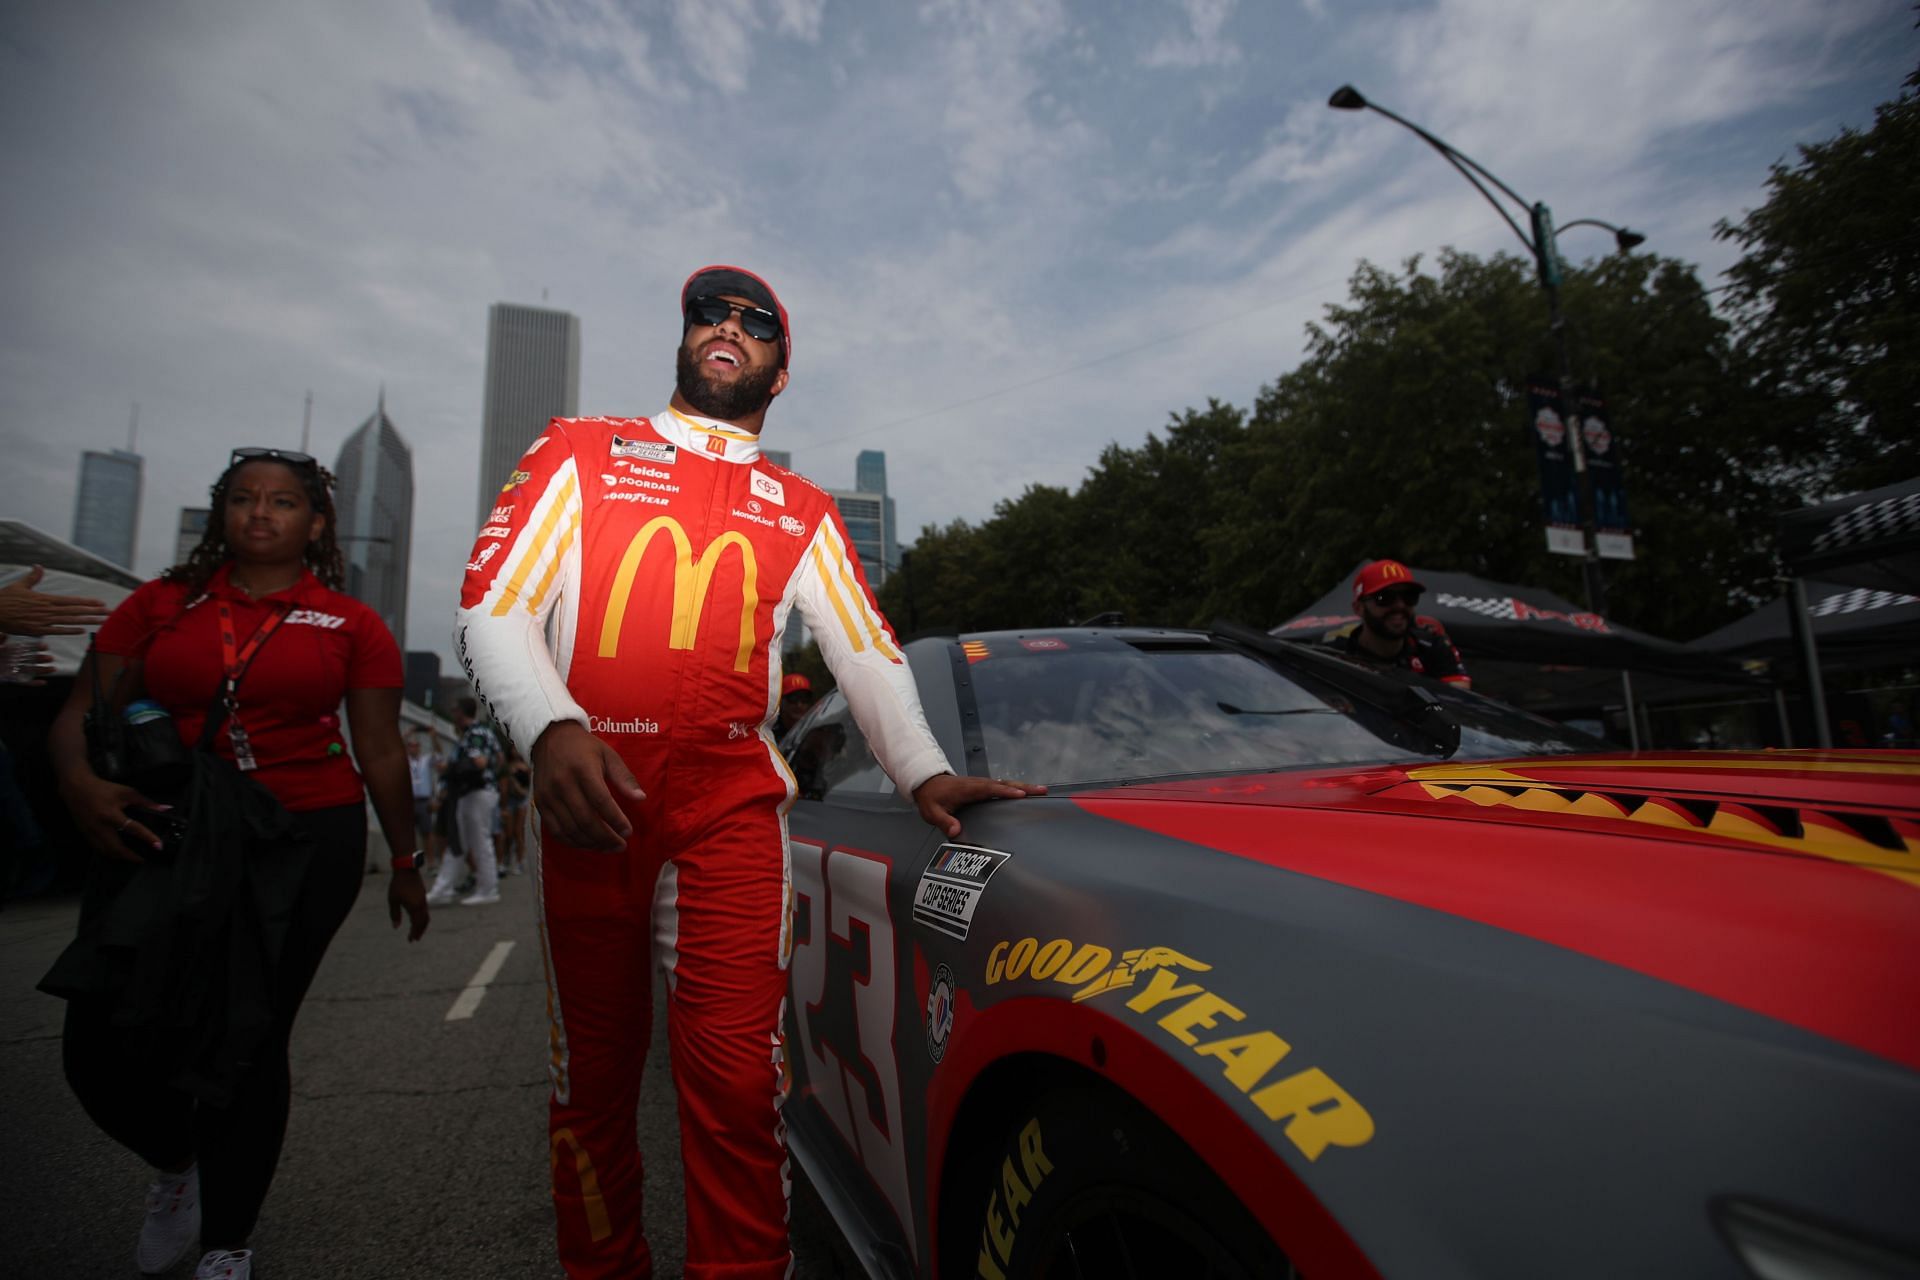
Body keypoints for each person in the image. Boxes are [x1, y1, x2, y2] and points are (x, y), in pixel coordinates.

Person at [454, 264, 1045, 1279]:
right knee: (588, 1085)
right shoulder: (579, 448)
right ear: (684, 339)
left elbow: (866, 649)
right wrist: (549, 728)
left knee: (736, 1087)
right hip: (594, 804)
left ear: (780, 371)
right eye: (707, 313)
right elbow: (493, 605)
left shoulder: (802, 506)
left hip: (732, 813)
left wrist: (924, 772)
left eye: (755, 322)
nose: (727, 325)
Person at [42, 447, 429, 1280]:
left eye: (284, 502)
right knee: (98, 1042)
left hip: (301, 841)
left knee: (248, 1036)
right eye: (245, 499)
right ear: (222, 512)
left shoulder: (351, 624)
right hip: (164, 831)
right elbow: (81, 713)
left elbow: (383, 753)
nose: (261, 513)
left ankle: (227, 1242)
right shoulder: (157, 606)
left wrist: (406, 858)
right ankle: (175, 1159)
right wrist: (78, 784)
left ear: (315, 523)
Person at [1326, 559, 1471, 688]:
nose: (1400, 605)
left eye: (1409, 596)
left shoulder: (1432, 647)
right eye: (1384, 597)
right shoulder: (1336, 656)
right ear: (1359, 608)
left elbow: (1458, 697)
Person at [424, 696, 502, 907]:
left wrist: (450, 768)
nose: (453, 714)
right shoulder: (474, 733)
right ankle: (443, 888)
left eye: (455, 710)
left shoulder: (476, 734)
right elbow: (496, 759)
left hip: (477, 792)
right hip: (468, 793)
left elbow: (479, 762)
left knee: (479, 841)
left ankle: (488, 889)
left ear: (461, 712)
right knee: (458, 842)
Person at [773, 671, 814, 741]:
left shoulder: (814, 728)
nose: (799, 705)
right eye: (793, 698)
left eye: (804, 699)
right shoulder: (769, 732)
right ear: (781, 701)